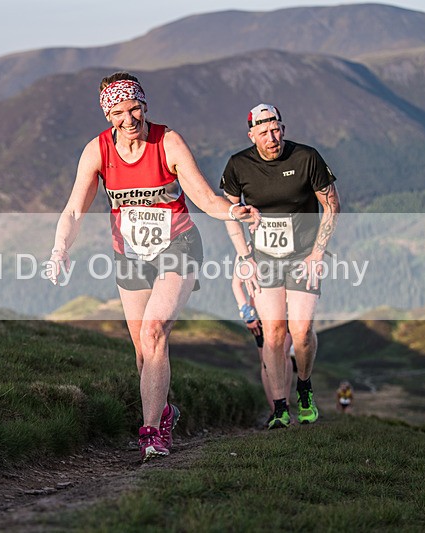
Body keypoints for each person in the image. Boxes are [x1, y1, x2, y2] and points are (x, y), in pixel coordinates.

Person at [48, 72, 260, 461]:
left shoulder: (168, 141)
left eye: (135, 109)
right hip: (129, 254)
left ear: (145, 105)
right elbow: (75, 209)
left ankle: (151, 434)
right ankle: (165, 411)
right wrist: (60, 248)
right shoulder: (97, 151)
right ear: (107, 114)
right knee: (144, 353)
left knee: (155, 330)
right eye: (118, 112)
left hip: (178, 246)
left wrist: (233, 211)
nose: (129, 120)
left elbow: (203, 197)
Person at [221, 103, 341, 429]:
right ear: (252, 135)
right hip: (264, 259)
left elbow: (331, 206)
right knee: (273, 334)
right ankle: (279, 407)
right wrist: (245, 257)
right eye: (263, 133)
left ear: (283, 129)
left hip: (303, 256)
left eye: (276, 131)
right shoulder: (238, 166)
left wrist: (318, 254)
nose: (271, 138)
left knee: (300, 332)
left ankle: (304, 386)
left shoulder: (306, 157)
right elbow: (231, 215)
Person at [231, 245, 296, 421]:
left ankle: (284, 404)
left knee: (283, 353)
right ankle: (275, 408)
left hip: (287, 311)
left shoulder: (285, 240)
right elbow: (237, 284)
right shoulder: (246, 249)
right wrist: (247, 313)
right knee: (266, 362)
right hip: (259, 315)